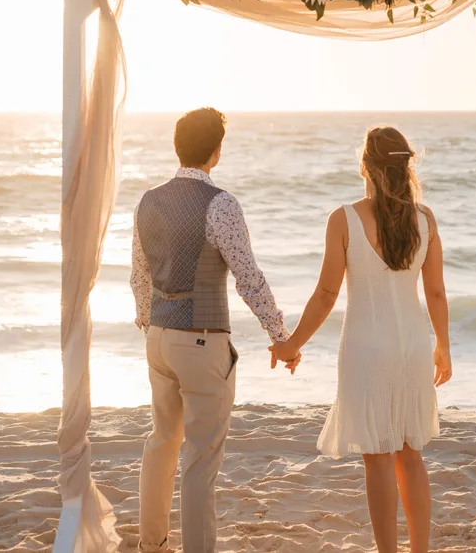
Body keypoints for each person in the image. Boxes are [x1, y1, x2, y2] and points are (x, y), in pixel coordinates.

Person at [270, 125, 452, 553]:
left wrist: (292, 344)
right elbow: (437, 292)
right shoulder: (425, 220)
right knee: (410, 452)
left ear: (365, 167)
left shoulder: (345, 219)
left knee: (377, 457)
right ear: (405, 167)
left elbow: (326, 295)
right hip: (412, 347)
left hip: (367, 350)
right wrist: (442, 346)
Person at [130, 107, 300, 553]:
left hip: (159, 339)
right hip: (202, 340)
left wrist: (151, 324)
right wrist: (279, 336)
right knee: (201, 458)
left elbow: (139, 276)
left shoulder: (147, 200)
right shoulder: (220, 204)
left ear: (177, 146)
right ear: (216, 151)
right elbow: (248, 276)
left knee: (163, 441)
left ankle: (152, 545)